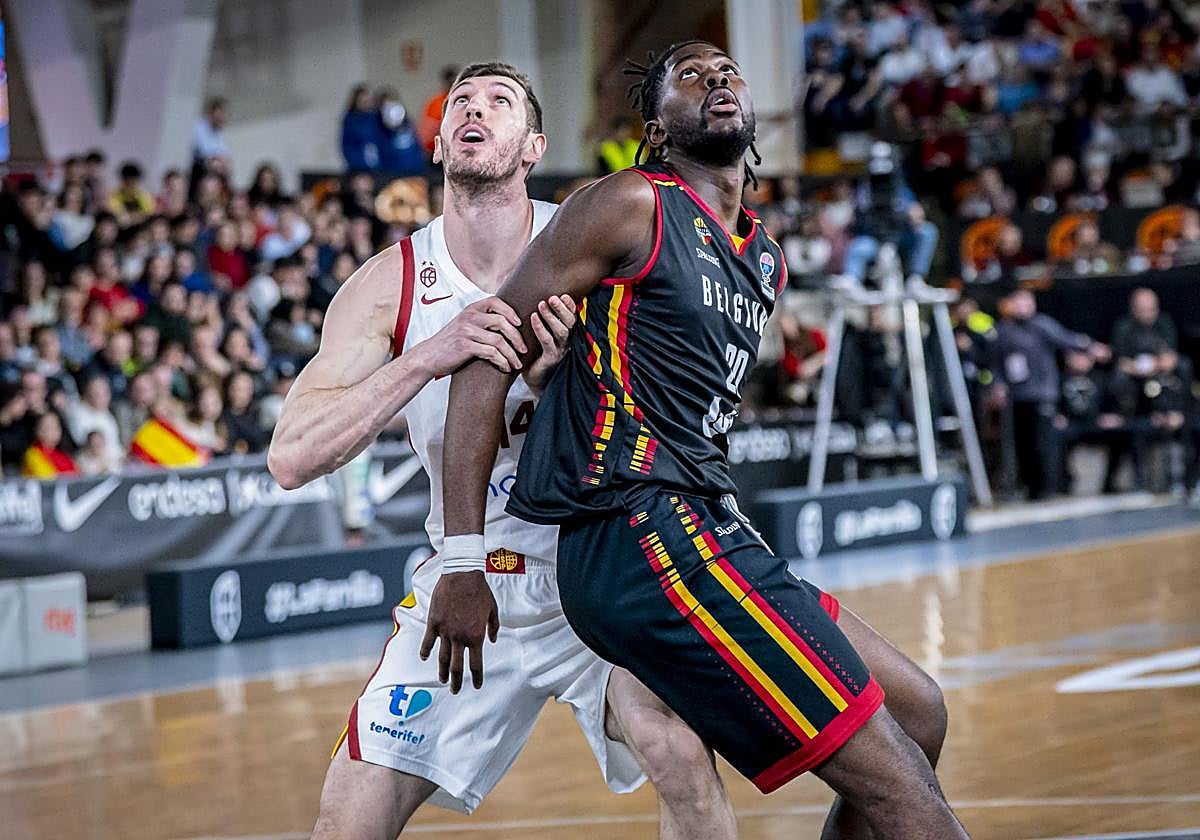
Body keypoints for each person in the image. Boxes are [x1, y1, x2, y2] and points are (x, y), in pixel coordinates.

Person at [438, 42, 966, 836]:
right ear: (658, 126)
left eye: (727, 70)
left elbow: (648, 375)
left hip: (707, 520)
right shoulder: (632, 202)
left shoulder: (765, 258)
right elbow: (479, 365)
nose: (717, 79)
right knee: (901, 787)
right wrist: (461, 558)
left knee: (918, 714)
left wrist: (565, 381)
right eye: (690, 75)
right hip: (637, 531)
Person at [267, 63, 734, 839]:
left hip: (597, 557)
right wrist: (423, 357)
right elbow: (291, 457)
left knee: (680, 751)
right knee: (348, 814)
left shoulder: (592, 235)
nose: (476, 110)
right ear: (442, 138)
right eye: (462, 104)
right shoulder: (388, 285)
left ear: (532, 147)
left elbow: (672, 408)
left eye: (500, 101)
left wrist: (565, 382)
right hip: (469, 568)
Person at [991, 289, 1110, 499]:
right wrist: (998, 385)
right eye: (1019, 302)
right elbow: (996, 364)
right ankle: (1029, 487)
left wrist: (1091, 347)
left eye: (1027, 302)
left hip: (1042, 393)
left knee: (1044, 443)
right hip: (1017, 396)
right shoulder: (1004, 331)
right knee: (1023, 444)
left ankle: (1048, 488)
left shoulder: (1042, 325)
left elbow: (1067, 339)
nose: (1023, 307)